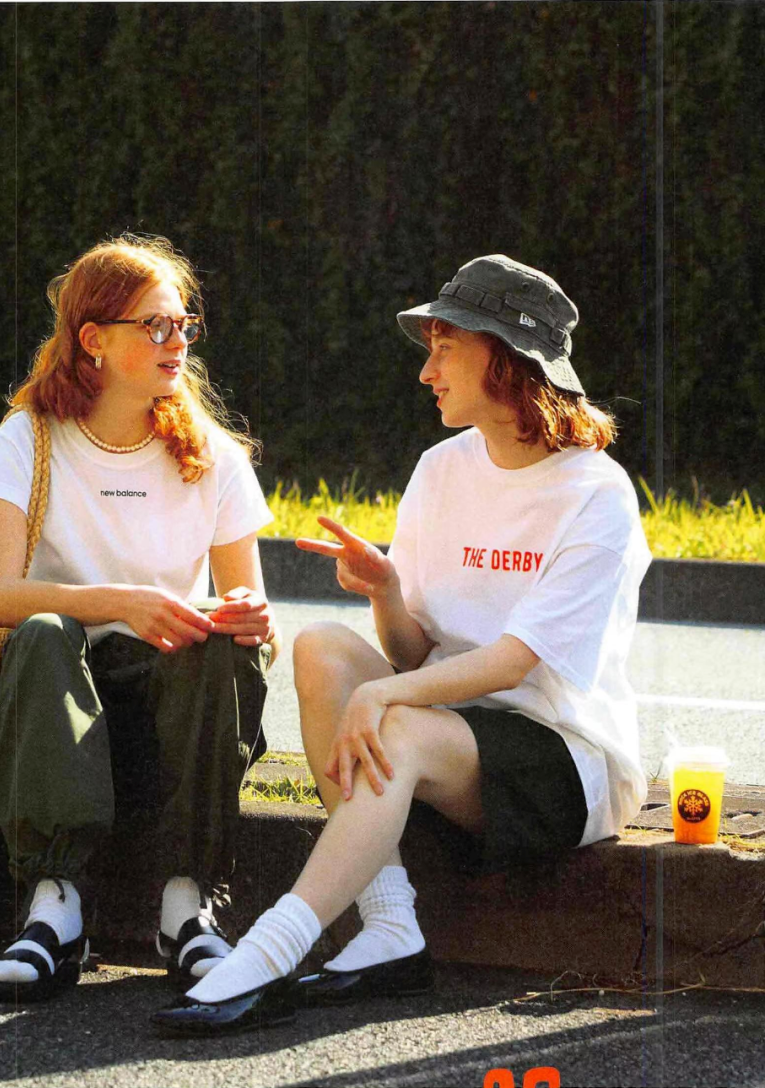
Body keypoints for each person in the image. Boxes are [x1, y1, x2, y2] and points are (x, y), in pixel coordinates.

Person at [152, 254, 651, 1035]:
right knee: (321, 648)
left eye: (445, 348)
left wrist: (384, 693)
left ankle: (273, 951)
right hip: (451, 731)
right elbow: (417, 653)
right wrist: (387, 590)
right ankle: (391, 928)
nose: (427, 372)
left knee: (400, 723)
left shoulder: (597, 494)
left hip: (562, 758)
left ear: (503, 358)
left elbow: (515, 662)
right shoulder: (441, 468)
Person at [0, 234, 279, 1001]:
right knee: (43, 630)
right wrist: (119, 603)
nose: (178, 341)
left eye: (184, 325)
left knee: (219, 647)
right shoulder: (27, 438)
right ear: (94, 340)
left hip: (171, 721)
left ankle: (188, 908)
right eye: (156, 325)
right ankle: (55, 908)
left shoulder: (214, 455)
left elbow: (253, 615)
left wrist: (247, 617)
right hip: (57, 718)